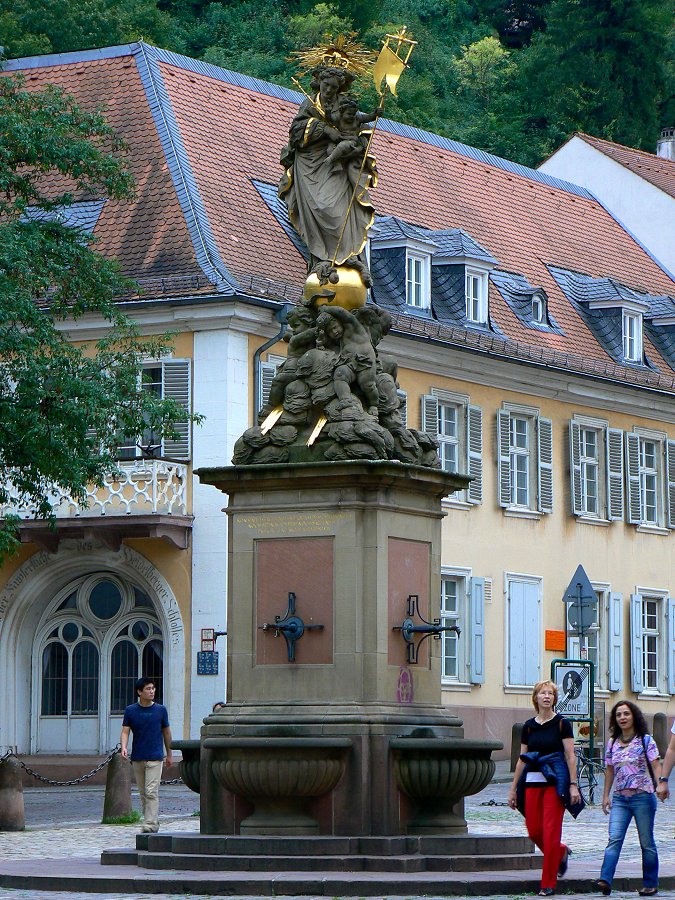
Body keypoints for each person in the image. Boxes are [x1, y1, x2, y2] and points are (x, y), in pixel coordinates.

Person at [278, 65, 378, 284]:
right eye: (326, 85)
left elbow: (360, 126)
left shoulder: (343, 105)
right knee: (318, 207)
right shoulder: (309, 103)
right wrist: (324, 129)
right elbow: (295, 132)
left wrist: (356, 141)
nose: (330, 90)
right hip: (311, 164)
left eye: (334, 87)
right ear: (319, 83)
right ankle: (321, 258)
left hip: (339, 166)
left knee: (339, 211)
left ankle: (348, 256)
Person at [508, 679, 581, 897]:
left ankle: (547, 883)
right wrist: (513, 789)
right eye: (543, 693)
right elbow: (522, 759)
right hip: (531, 783)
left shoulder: (562, 724)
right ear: (536, 698)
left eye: (550, 693)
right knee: (534, 830)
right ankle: (560, 851)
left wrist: (573, 785)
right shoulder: (528, 726)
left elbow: (570, 755)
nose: (547, 696)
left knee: (550, 833)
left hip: (555, 784)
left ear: (554, 699)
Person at [594, 700, 662, 897]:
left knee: (646, 841)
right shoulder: (612, 743)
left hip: (643, 798)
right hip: (620, 800)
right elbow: (609, 770)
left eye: (626, 714)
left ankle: (650, 883)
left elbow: (656, 765)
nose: (622, 718)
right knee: (614, 838)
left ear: (634, 716)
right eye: (618, 715)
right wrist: (606, 795)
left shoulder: (646, 740)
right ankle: (605, 880)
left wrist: (661, 784)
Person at [120, 677, 172, 834]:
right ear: (139, 692)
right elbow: (125, 731)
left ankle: (149, 824)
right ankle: (152, 822)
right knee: (143, 793)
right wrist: (123, 747)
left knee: (151, 791)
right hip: (138, 757)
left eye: (153, 688)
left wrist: (169, 753)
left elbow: (167, 732)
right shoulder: (131, 711)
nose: (152, 691)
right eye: (148, 689)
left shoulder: (161, 710)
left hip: (155, 756)